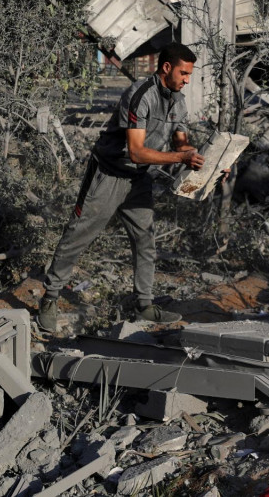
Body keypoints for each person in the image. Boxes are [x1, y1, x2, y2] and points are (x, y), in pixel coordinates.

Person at [37, 43, 204, 332]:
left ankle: (145, 305)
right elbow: (136, 151)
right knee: (79, 234)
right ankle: (50, 298)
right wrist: (181, 158)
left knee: (145, 241)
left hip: (139, 178)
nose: (187, 80)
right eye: (184, 73)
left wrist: (205, 160)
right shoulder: (140, 94)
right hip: (109, 173)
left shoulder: (178, 101)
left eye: (189, 74)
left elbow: (181, 145)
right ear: (166, 68)